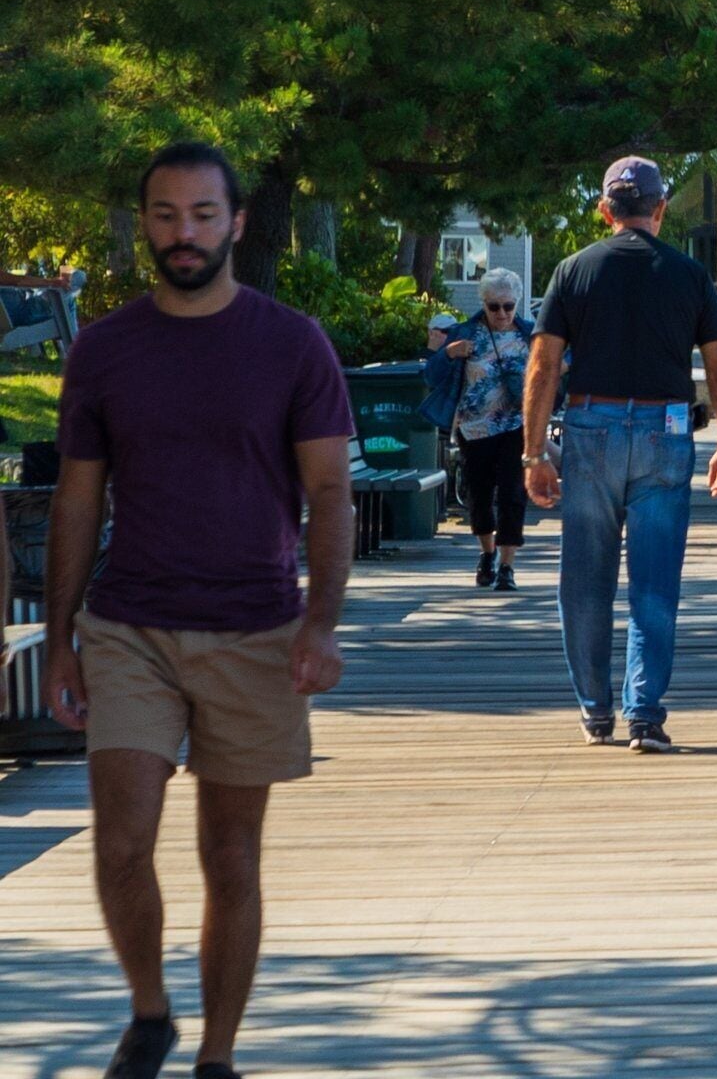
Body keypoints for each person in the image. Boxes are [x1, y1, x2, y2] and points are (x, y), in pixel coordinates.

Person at [43, 143, 354, 1079]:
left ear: (236, 224)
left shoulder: (291, 343)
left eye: (204, 215)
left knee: (230, 855)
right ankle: (150, 1012)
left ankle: (217, 1056)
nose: (185, 234)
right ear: (145, 223)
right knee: (123, 839)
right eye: (167, 215)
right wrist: (59, 640)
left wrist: (322, 621)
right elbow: (75, 499)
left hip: (255, 628)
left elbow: (331, 491)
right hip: (129, 624)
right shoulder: (105, 348)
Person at [522, 156, 717, 753]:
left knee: (585, 582)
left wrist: (533, 453)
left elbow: (542, 366)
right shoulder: (690, 275)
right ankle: (643, 714)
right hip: (664, 432)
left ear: (604, 211)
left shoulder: (573, 271)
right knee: (655, 581)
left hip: (590, 429)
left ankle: (596, 713)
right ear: (660, 209)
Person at [441, 270, 535, 590]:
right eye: (494, 307)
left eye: (508, 306)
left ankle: (507, 566)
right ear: (483, 304)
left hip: (516, 425)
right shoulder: (466, 333)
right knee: (478, 497)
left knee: (512, 495)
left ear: (517, 303)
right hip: (474, 428)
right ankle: (487, 552)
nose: (502, 314)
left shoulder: (529, 335)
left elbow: (561, 363)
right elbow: (431, 374)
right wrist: (449, 353)